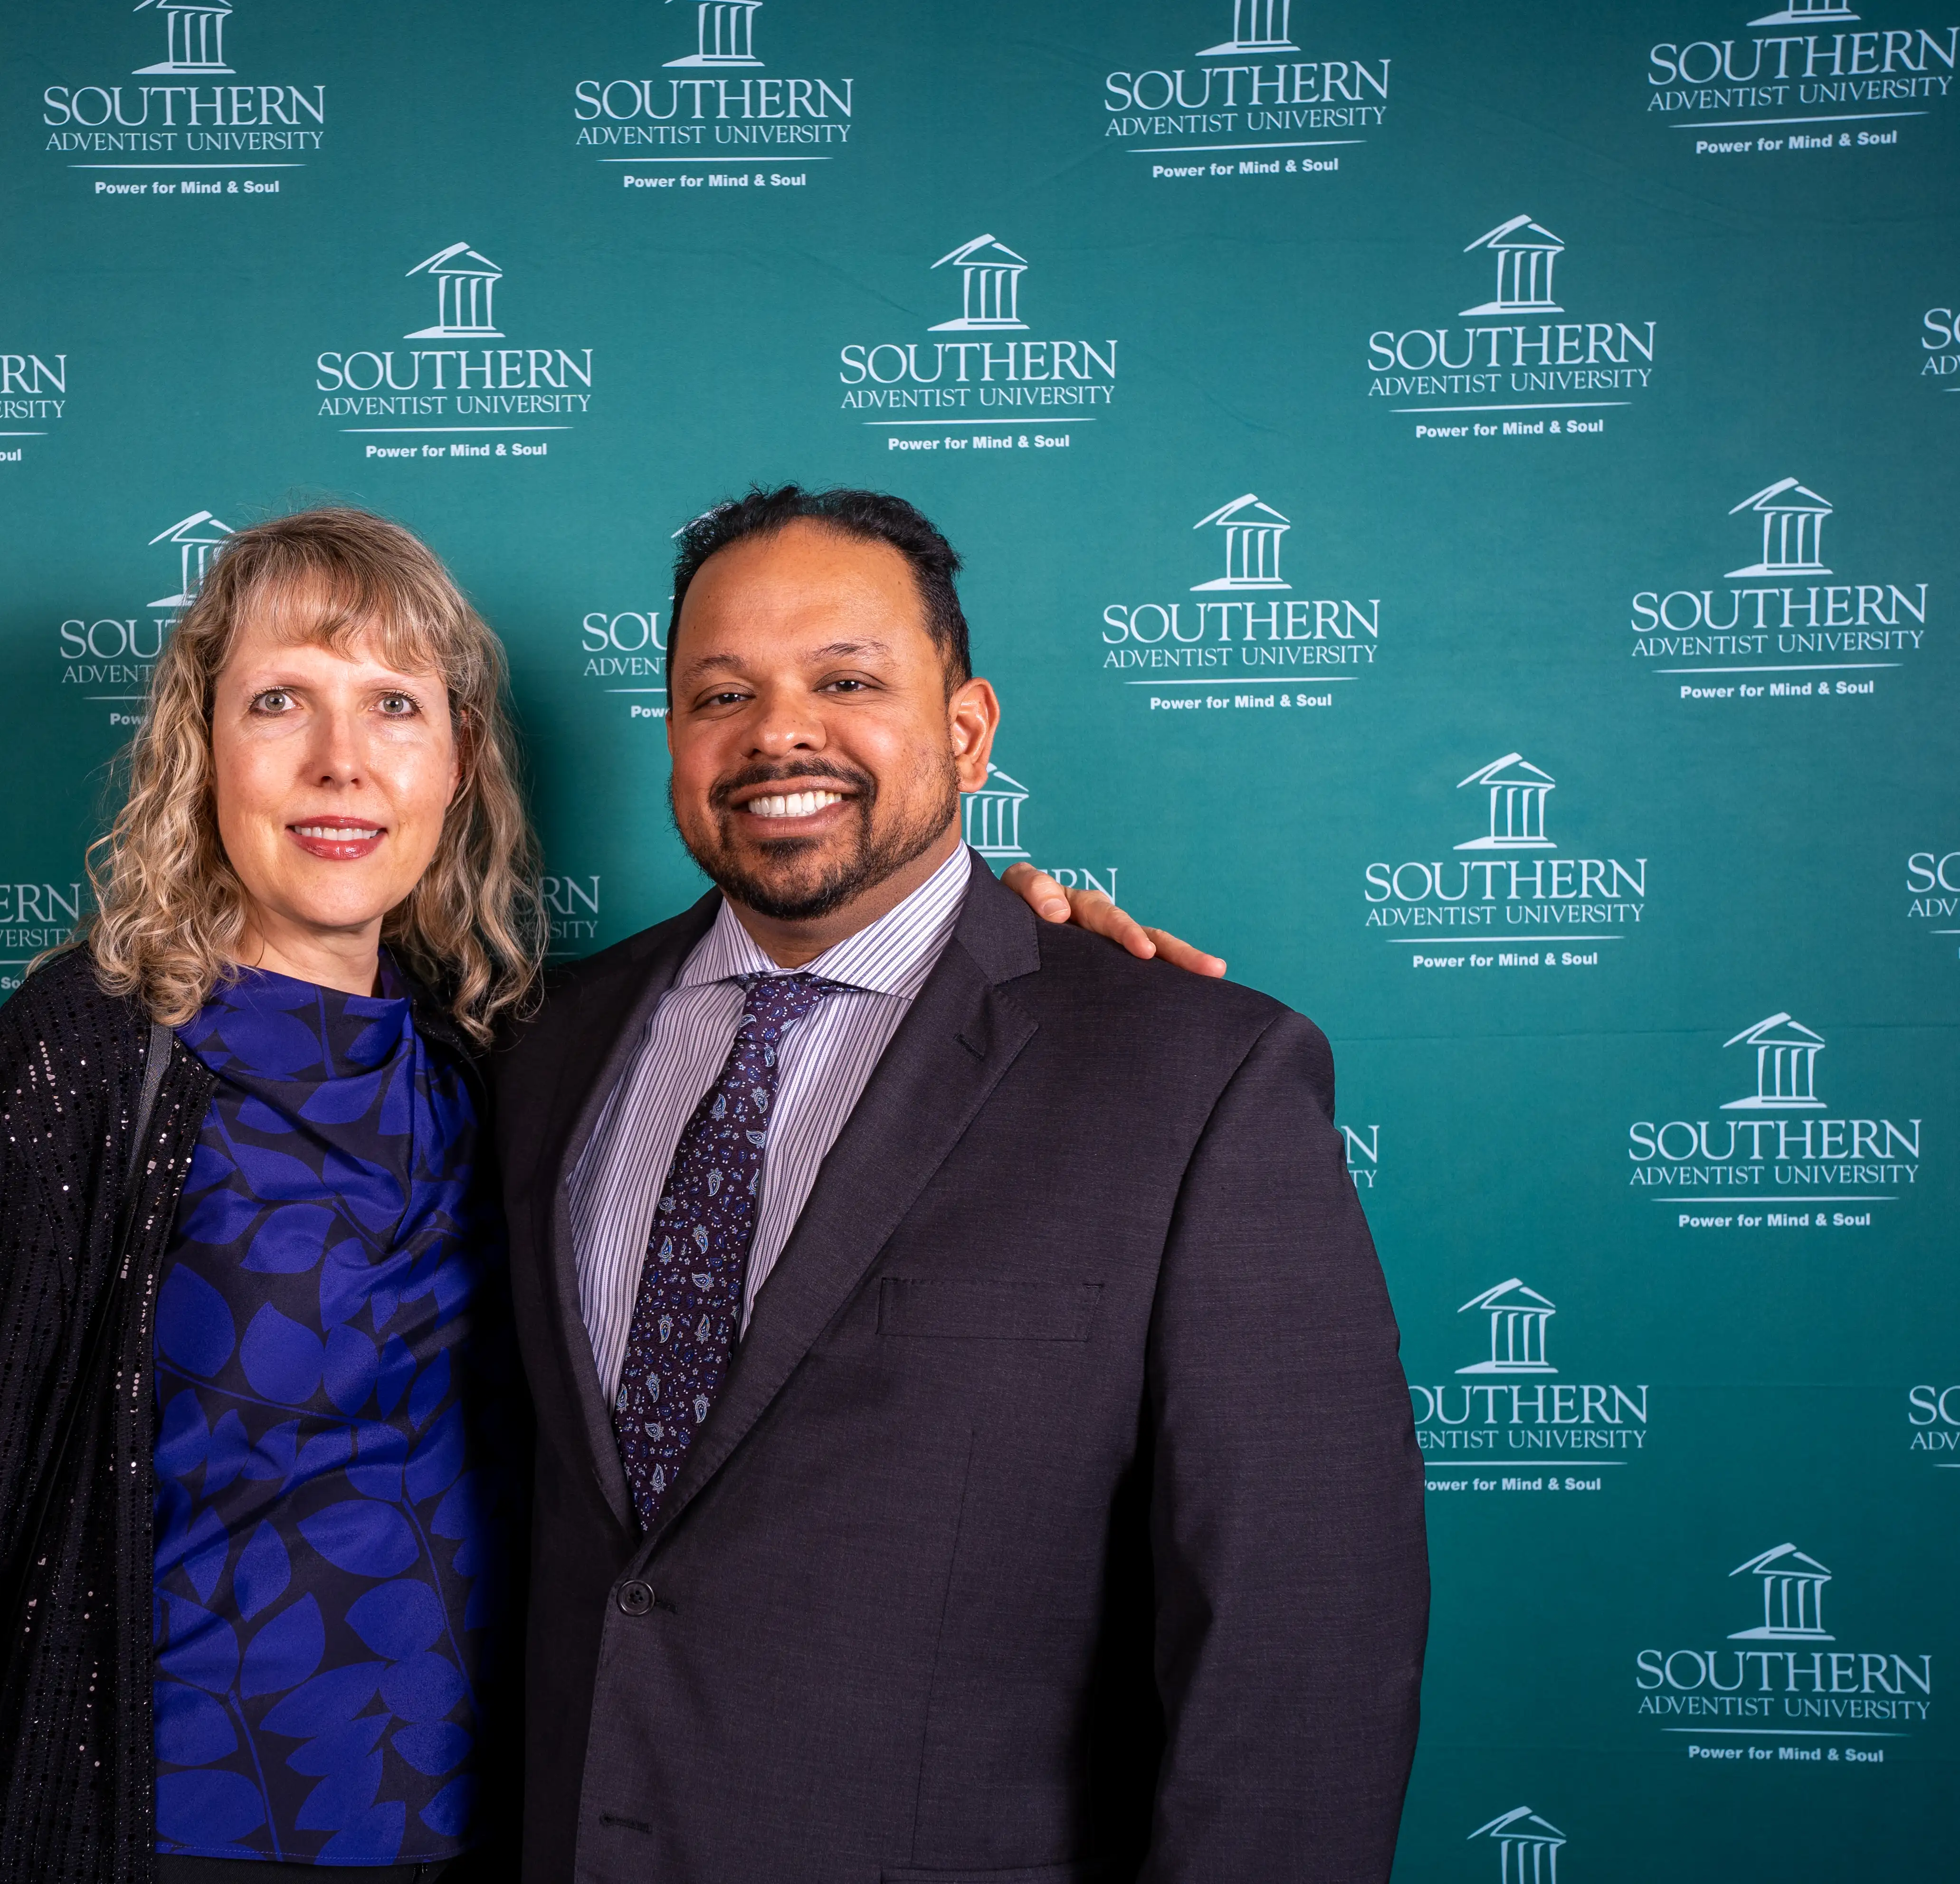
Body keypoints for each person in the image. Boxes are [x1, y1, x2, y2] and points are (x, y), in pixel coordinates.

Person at [0, 502, 1211, 1884]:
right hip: (177, 1835)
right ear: (201, 754)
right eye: (279, 702)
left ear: (457, 763)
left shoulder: (499, 1051)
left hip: (505, 1828)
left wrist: (1010, 922)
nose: (340, 763)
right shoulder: (77, 1066)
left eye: (392, 707)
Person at [492, 487, 1428, 1884]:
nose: (777, 733)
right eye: (719, 692)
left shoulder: (1189, 1076)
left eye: (847, 680)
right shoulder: (539, 1044)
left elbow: (1300, 1640)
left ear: (967, 729)